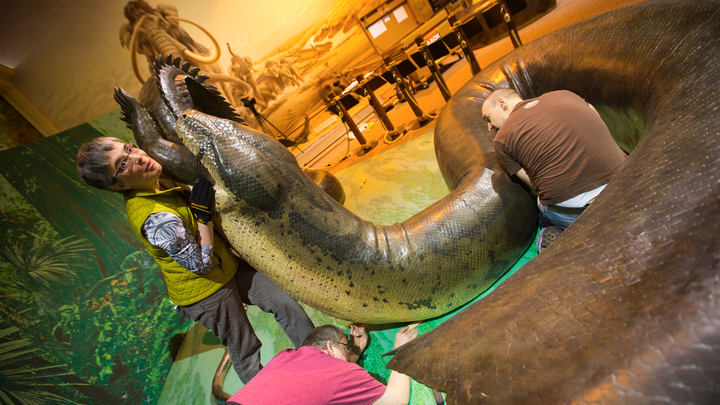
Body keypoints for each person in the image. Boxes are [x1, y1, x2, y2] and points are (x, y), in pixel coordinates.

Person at [75, 137, 314, 383]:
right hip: (204, 292)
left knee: (285, 302)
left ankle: (324, 364)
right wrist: (203, 217)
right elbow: (200, 266)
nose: (136, 156)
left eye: (129, 148)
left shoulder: (158, 179)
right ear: (118, 186)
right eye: (122, 164)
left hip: (227, 267)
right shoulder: (155, 219)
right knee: (246, 350)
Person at [482, 89, 626, 251]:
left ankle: (548, 231)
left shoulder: (500, 141)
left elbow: (534, 184)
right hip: (625, 182)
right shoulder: (564, 94)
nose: (489, 127)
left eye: (488, 118)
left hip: (580, 211)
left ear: (502, 104)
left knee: (542, 205)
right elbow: (595, 117)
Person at [227, 323, 419, 405]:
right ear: (330, 346)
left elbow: (316, 379)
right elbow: (398, 399)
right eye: (345, 346)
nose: (348, 351)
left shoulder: (285, 356)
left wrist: (355, 350)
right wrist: (401, 350)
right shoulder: (341, 374)